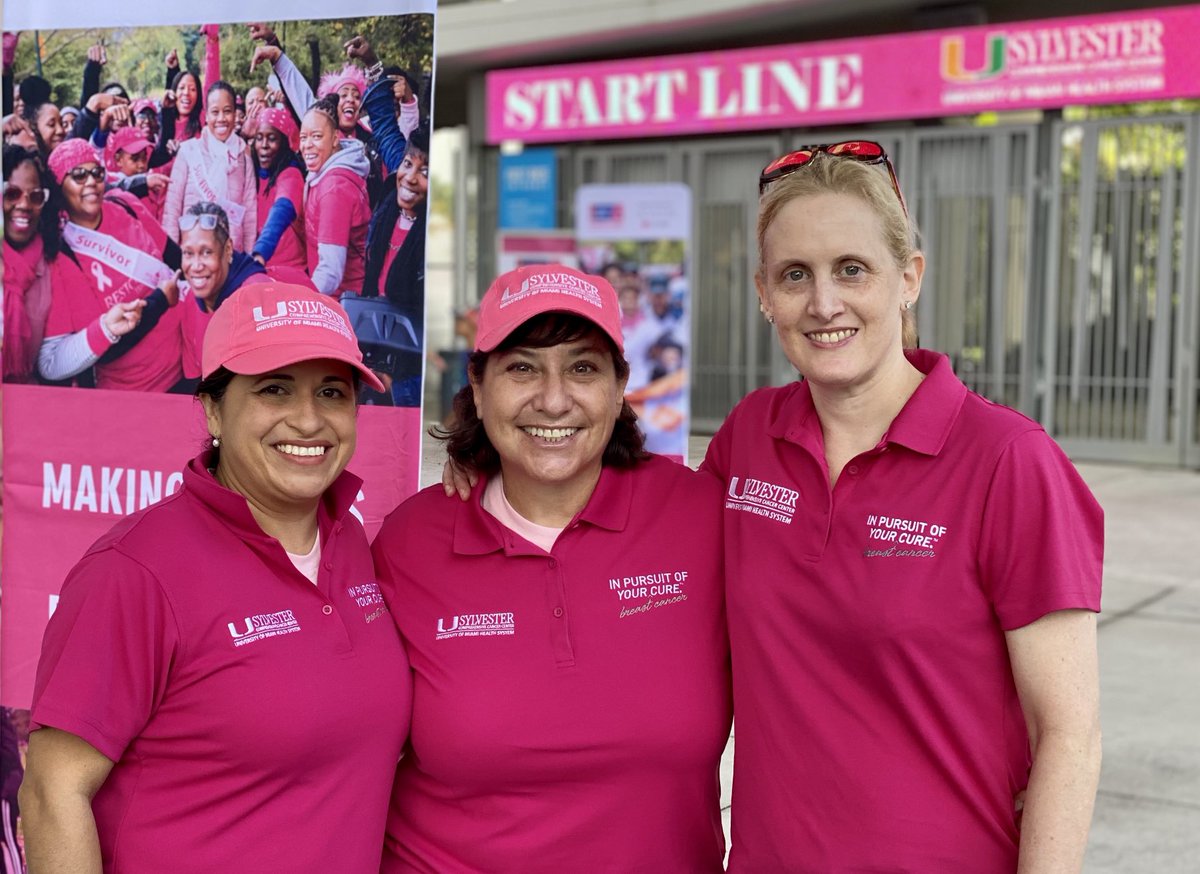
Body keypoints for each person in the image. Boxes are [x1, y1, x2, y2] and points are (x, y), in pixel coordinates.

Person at [704, 141, 1103, 871]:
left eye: (851, 269)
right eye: (796, 275)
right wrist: (504, 470)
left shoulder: (1007, 461)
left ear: (908, 278)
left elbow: (1069, 736)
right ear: (764, 293)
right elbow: (630, 533)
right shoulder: (748, 439)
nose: (824, 303)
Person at [19, 281, 411, 872]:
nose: (309, 420)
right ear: (212, 407)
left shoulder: (352, 543)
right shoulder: (134, 572)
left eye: (332, 391)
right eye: (274, 389)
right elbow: (52, 795)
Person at [373, 264, 731, 872]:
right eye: (522, 367)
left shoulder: (702, 517)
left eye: (583, 367)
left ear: (620, 388)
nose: (554, 399)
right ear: (479, 386)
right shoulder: (410, 541)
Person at [39, 138, 184, 392]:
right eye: (78, 176)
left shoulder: (125, 204)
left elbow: (176, 259)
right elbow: (104, 349)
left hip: (186, 358)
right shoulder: (59, 256)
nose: (91, 181)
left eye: (96, 172)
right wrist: (160, 301)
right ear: (60, 188)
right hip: (136, 388)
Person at [176, 201, 269, 384]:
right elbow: (195, 377)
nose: (195, 266)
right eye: (188, 253)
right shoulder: (190, 298)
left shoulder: (257, 298)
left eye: (206, 252)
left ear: (227, 250)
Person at [162, 80, 257, 251]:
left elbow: (250, 216)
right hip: (194, 255)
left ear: (236, 114)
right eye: (215, 112)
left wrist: (249, 258)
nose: (221, 118)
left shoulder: (243, 158)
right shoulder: (188, 152)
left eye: (227, 111)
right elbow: (172, 210)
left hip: (231, 256)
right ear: (206, 116)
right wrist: (173, 258)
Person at [299, 95, 370, 297]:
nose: (307, 145)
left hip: (342, 303)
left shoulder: (334, 190)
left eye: (317, 136)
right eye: (303, 138)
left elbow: (330, 272)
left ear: (335, 139)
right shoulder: (323, 171)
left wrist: (301, 303)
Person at [3, 145, 55, 382]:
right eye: (12, 193)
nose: (24, 205)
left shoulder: (53, 267)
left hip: (24, 403)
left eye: (34, 196)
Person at [243, 105, 306, 270]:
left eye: (272, 138)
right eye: (259, 138)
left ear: (284, 143)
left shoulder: (291, 174)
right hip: (259, 268)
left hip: (289, 271)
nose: (264, 145)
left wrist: (260, 251)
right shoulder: (253, 172)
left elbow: (282, 209)